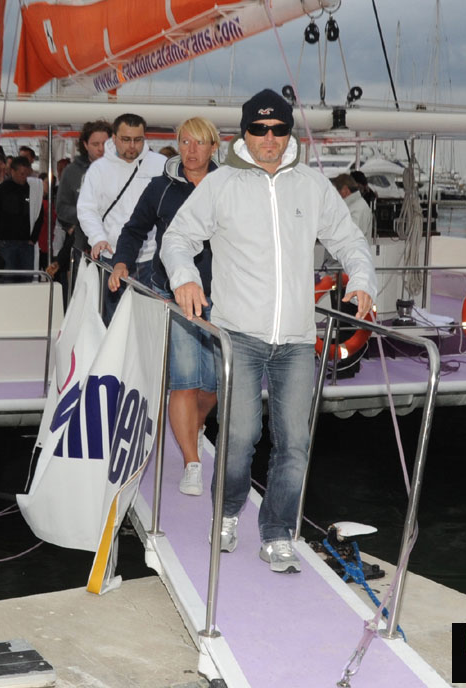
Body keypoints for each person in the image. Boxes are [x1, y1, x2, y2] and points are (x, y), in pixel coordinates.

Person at [162, 89, 377, 574]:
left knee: (294, 444)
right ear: (244, 134)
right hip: (239, 335)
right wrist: (185, 277)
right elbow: (178, 237)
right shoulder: (221, 186)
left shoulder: (313, 187)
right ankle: (228, 512)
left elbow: (349, 240)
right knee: (239, 438)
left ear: (289, 134)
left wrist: (362, 281)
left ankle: (278, 532)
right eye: (259, 129)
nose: (269, 139)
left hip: (298, 340)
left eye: (278, 129)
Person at [108, 117, 220, 496]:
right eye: (185, 141)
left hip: (222, 297)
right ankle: (192, 461)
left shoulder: (230, 187)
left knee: (214, 385)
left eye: (200, 143)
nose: (191, 150)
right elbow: (134, 230)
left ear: (213, 148)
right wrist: (122, 261)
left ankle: (195, 426)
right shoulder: (160, 188)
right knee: (185, 378)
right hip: (173, 296)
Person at [77, 113, 166, 322]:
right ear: (114, 138)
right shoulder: (98, 169)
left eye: (138, 139)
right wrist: (97, 238)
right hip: (112, 256)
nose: (132, 146)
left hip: (152, 259)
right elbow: (87, 209)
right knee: (114, 322)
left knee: (149, 323)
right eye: (126, 139)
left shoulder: (160, 165)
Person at [55, 119, 112, 296]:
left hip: (115, 245)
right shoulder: (72, 172)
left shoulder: (122, 170)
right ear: (85, 145)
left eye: (105, 143)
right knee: (83, 293)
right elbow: (62, 208)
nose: (101, 148)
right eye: (95, 144)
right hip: (83, 246)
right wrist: (85, 217)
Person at [0, 155, 42, 279]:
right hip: (5, 244)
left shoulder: (32, 190)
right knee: (7, 280)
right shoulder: (0, 191)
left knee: (27, 280)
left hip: (27, 244)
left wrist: (33, 238)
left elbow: (39, 214)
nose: (24, 177)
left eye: (27, 174)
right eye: (21, 174)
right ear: (12, 171)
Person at [330, 173, 374, 237]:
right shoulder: (353, 206)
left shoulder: (358, 209)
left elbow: (347, 235)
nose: (334, 195)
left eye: (335, 191)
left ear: (345, 190)